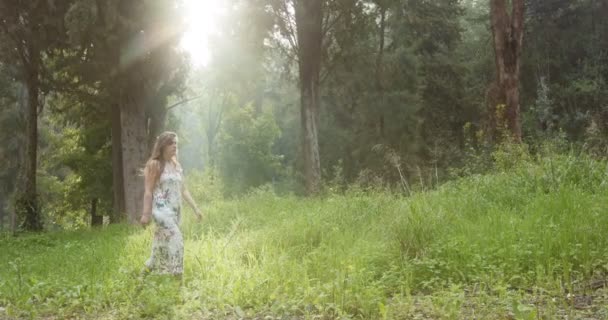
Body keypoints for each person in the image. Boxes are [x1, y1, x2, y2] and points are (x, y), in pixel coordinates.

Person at [140, 131, 203, 277]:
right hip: (161, 213)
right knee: (177, 243)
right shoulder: (154, 165)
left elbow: (184, 190)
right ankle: (178, 289)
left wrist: (196, 209)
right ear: (162, 145)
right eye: (171, 143)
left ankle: (139, 283)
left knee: (157, 254)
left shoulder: (176, 165)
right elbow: (148, 191)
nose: (174, 146)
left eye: (176, 143)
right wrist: (145, 214)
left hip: (175, 213)